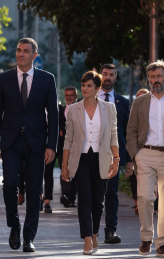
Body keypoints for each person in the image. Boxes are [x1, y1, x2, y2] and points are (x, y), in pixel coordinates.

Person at [0, 37, 58, 252]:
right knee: (10, 185)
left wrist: (51, 145)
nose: (21, 54)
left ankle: (29, 237)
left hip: (37, 143)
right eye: (18, 50)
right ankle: (14, 225)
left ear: (34, 55)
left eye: (26, 51)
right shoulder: (3, 79)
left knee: (34, 190)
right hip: (11, 142)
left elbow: (54, 116)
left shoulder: (47, 80)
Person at [62, 71, 119, 255]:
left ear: (97, 88)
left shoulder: (109, 108)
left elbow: (113, 136)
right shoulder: (73, 109)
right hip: (81, 159)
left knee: (97, 201)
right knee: (84, 199)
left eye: (89, 86)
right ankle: (87, 238)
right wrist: (64, 165)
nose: (84, 88)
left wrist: (116, 160)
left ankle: (94, 233)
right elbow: (68, 139)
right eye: (83, 85)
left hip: (101, 158)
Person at [126, 59, 164, 257]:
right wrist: (136, 155)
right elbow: (131, 130)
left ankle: (162, 242)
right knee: (144, 197)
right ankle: (146, 238)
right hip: (145, 154)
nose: (155, 80)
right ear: (148, 79)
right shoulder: (140, 102)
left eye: (158, 76)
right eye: (152, 77)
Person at [99, 63, 133, 244]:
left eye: (112, 74)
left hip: (114, 155)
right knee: (93, 195)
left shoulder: (123, 102)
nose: (108, 77)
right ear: (100, 75)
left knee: (111, 194)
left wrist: (128, 160)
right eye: (105, 74)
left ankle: (110, 231)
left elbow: (127, 132)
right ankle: (91, 231)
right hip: (92, 154)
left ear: (115, 77)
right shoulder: (90, 98)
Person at [129, 88, 149, 216]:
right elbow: (130, 131)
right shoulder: (132, 113)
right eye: (138, 97)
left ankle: (152, 205)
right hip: (137, 151)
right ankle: (137, 205)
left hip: (154, 151)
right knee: (136, 179)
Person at [58, 86, 78, 208]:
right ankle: (65, 196)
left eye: (72, 95)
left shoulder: (81, 109)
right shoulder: (60, 110)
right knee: (64, 170)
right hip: (62, 147)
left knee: (74, 173)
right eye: (67, 95)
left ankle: (72, 198)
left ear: (76, 96)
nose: (69, 98)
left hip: (77, 147)